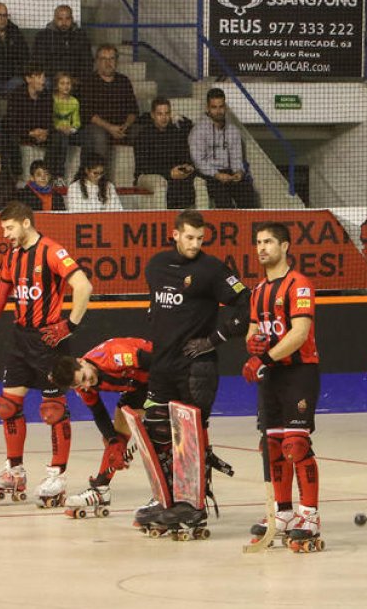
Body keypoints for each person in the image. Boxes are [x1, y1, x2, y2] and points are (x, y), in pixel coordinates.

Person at [0, 200, 93, 507]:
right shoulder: (12, 255)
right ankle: (15, 471)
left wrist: (69, 326)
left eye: (9, 228)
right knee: (7, 405)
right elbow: (1, 293)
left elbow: (84, 286)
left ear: (25, 222)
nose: (5, 234)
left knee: (53, 410)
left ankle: (57, 476)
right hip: (21, 338)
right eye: (3, 229)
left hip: (50, 339)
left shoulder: (51, 251)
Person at [136, 209, 250, 531]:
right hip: (162, 365)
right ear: (175, 234)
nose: (195, 244)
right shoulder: (156, 265)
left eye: (200, 238)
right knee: (157, 430)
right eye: (189, 237)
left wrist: (215, 339)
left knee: (190, 436)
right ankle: (168, 498)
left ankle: (194, 504)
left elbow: (246, 302)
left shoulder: (212, 269)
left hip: (195, 367)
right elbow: (156, 305)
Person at [243, 223, 325, 549]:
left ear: (285, 246)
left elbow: (300, 332)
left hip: (299, 372)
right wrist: (253, 347)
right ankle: (284, 512)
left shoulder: (299, 285)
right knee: (273, 446)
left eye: (269, 242)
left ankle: (310, 514)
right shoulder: (258, 290)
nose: (262, 248)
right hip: (271, 376)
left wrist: (265, 358)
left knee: (296, 445)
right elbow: (252, 332)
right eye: (258, 242)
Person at [49, 337, 153, 514]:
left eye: (85, 378)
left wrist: (162, 397)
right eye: (80, 384)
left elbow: (155, 361)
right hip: (139, 385)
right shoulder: (82, 385)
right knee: (118, 432)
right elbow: (98, 412)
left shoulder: (112, 356)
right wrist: (114, 442)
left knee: (161, 433)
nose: (87, 385)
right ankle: (101, 490)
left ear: (81, 362)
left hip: (162, 370)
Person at [189, 88, 259, 209]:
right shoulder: (198, 131)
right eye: (214, 107)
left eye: (221, 107)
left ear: (225, 107)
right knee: (223, 198)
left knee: (247, 191)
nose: (218, 111)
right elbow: (198, 161)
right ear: (207, 108)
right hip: (208, 175)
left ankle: (249, 225)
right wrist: (216, 174)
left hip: (229, 174)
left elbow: (236, 158)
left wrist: (239, 172)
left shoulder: (233, 131)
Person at [77, 44, 138, 160]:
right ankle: (101, 177)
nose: (107, 62)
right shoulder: (88, 81)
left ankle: (142, 175)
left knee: (144, 132)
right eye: (103, 59)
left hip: (122, 128)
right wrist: (110, 127)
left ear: (116, 61)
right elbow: (87, 113)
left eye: (111, 58)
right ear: (97, 62)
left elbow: (133, 110)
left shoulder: (124, 81)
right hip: (97, 127)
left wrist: (126, 125)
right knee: (99, 135)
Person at [134, 97, 196, 210]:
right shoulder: (143, 135)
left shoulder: (176, 133)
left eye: (167, 113)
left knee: (190, 180)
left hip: (172, 173)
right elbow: (144, 166)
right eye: (160, 114)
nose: (164, 118)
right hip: (146, 175)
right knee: (167, 183)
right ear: (153, 115)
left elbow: (184, 156)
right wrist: (168, 173)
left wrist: (187, 166)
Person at [33, 5, 93, 89]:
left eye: (67, 19)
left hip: (75, 79)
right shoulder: (43, 36)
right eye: (60, 19)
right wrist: (57, 77)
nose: (64, 22)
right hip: (51, 79)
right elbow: (39, 62)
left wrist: (76, 79)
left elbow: (87, 62)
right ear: (54, 19)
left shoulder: (81, 36)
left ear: (72, 19)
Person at [5, 63, 53, 149]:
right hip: (23, 134)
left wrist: (45, 132)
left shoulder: (47, 96)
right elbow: (11, 123)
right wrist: (30, 133)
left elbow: (49, 121)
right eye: (39, 77)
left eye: (44, 76)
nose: (43, 81)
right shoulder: (16, 95)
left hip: (41, 135)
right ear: (28, 79)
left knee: (58, 138)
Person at [48, 72, 82, 181]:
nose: (66, 86)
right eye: (62, 83)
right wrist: (58, 127)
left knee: (64, 138)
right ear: (57, 85)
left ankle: (59, 177)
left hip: (69, 133)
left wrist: (71, 129)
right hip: (54, 131)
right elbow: (49, 119)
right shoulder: (52, 100)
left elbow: (76, 122)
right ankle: (53, 173)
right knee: (60, 138)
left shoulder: (74, 102)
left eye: (68, 83)